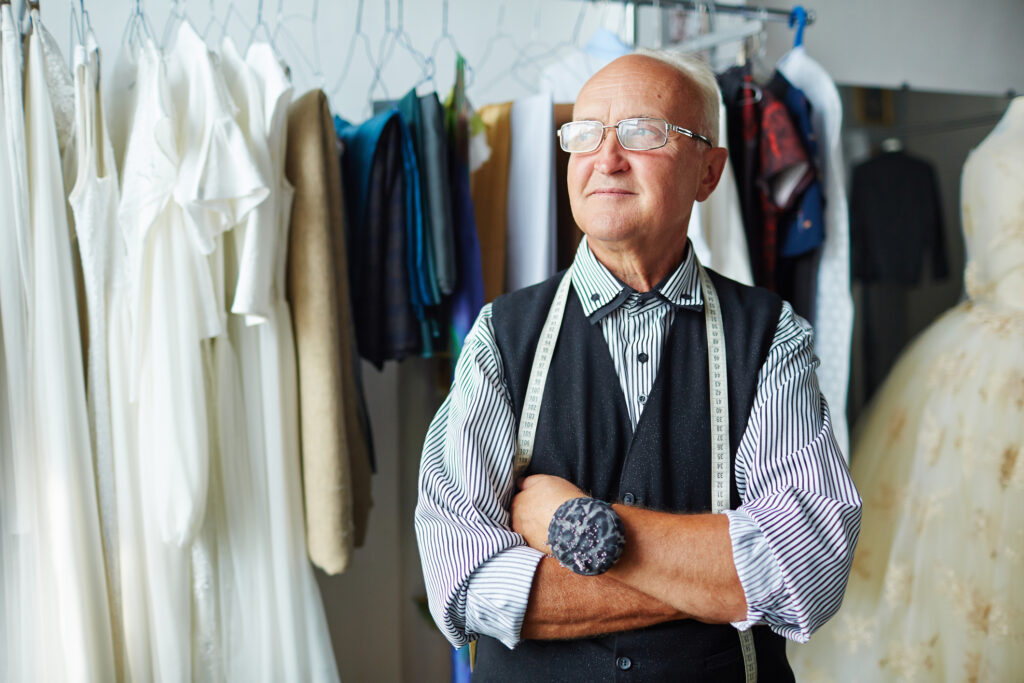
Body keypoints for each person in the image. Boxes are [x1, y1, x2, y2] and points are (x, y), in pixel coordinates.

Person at [415, 50, 861, 682]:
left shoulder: (770, 336)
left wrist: (571, 524)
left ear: (709, 171)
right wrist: (713, 581)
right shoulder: (500, 336)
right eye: (585, 134)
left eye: (642, 133)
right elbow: (466, 585)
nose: (606, 159)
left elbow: (806, 568)